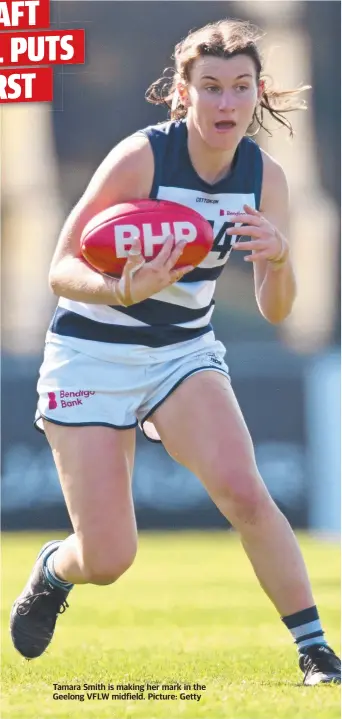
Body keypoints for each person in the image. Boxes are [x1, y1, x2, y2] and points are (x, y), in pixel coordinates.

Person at [10, 19, 340, 686]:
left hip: (183, 354)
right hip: (92, 353)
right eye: (211, 87)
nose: (226, 103)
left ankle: (316, 651)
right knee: (108, 557)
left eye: (240, 88)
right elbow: (60, 268)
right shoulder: (142, 158)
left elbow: (276, 309)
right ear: (182, 95)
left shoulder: (263, 177)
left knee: (246, 492)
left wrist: (280, 259)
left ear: (257, 94)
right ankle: (53, 569)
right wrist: (122, 286)